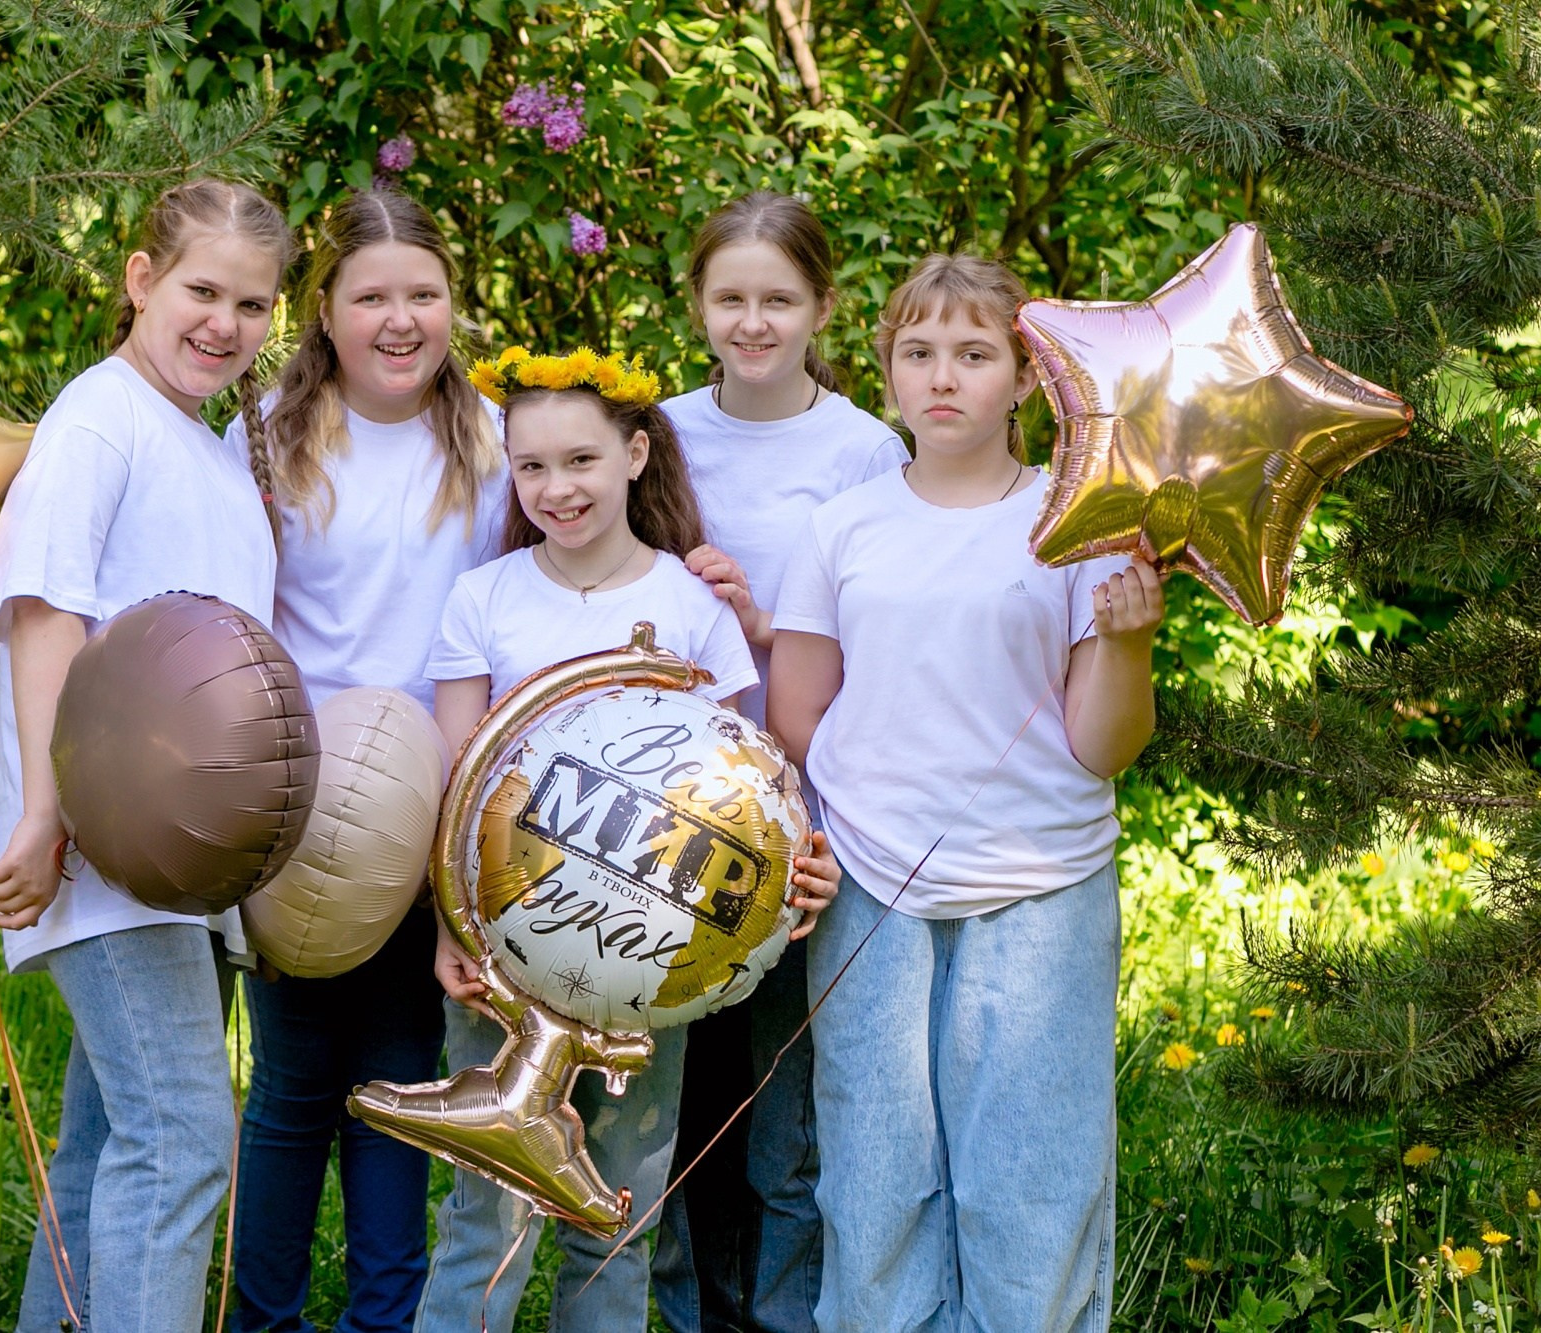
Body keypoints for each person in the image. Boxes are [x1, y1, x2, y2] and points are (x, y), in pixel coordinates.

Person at [768, 253, 1166, 1332]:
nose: (942, 377)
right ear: (888, 370)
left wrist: (1128, 644)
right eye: (918, 352)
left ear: (1028, 377)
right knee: (873, 1169)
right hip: (869, 886)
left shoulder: (1074, 525)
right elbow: (798, 715)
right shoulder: (842, 526)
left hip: (1041, 885)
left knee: (1029, 1176)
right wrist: (857, 819)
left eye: (974, 354)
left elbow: (1102, 745)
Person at [416, 347, 841, 1333]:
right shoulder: (483, 598)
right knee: (483, 1217)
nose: (556, 488)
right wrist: (448, 927)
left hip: (649, 966)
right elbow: (455, 783)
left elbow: (747, 789)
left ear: (635, 454)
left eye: (581, 460)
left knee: (616, 1215)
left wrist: (795, 872)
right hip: (501, 960)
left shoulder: (690, 607)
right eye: (532, 466)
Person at [0, 177, 291, 1333]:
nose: (223, 324)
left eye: (251, 305)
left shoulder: (209, 449)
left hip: (181, 859)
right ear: (140, 279)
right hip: (98, 845)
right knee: (179, 1136)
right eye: (202, 291)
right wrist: (44, 813)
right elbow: (44, 613)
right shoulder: (98, 418)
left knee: (111, 1138)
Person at [222, 188, 501, 1333]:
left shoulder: (489, 441)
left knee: (398, 1078)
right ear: (323, 310)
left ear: (451, 304)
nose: (399, 320)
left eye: (422, 294)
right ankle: (262, 1317)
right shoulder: (265, 438)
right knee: (293, 1082)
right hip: (295, 800)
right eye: (371, 296)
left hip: (430, 807)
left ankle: (381, 1320)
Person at [655, 189, 909, 1333]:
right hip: (663, 812)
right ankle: (681, 1306)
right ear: (696, 304)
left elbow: (882, 639)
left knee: (776, 1106)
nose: (751, 322)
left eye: (777, 300)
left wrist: (758, 626)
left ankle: (778, 1314)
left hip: (801, 813)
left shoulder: (862, 450)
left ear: (821, 308)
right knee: (676, 1088)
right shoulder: (656, 432)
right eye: (729, 298)